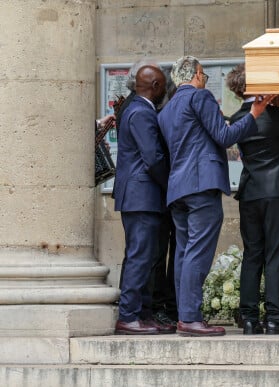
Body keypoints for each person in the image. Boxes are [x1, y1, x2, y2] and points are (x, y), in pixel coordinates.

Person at [157, 56, 273, 337]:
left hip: (178, 188)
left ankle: (185, 316)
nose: (204, 80)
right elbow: (224, 136)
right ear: (197, 75)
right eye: (204, 76)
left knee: (183, 253)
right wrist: (255, 113)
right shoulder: (200, 97)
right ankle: (190, 318)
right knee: (197, 252)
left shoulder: (167, 109)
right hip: (201, 185)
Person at [227, 65, 279, 335]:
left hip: (250, 193)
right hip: (277, 193)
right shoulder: (276, 116)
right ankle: (275, 317)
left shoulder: (239, 117)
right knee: (276, 254)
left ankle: (249, 318)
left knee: (253, 255)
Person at [116, 58, 178, 328]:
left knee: (145, 256)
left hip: (140, 196)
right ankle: (128, 316)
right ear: (155, 85)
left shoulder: (137, 109)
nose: (165, 90)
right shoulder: (142, 112)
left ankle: (143, 313)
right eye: (163, 86)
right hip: (142, 196)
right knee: (140, 257)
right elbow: (152, 158)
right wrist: (170, 185)